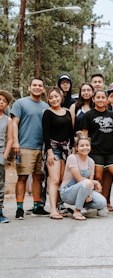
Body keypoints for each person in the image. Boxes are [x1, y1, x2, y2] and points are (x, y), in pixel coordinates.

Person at [81, 89, 113, 216]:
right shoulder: (88, 115)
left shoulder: (112, 115)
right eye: (98, 97)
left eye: (103, 97)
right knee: (98, 178)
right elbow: (84, 135)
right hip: (95, 152)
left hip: (110, 152)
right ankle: (98, 204)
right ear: (93, 99)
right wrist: (84, 152)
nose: (100, 100)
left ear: (107, 100)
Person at [11, 78, 50, 219]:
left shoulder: (46, 106)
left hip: (41, 147)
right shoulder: (21, 103)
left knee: (38, 177)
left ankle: (37, 206)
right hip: (25, 146)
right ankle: (19, 208)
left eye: (40, 85)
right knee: (22, 177)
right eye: (34, 85)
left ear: (43, 89)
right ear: (29, 88)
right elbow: (14, 123)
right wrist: (15, 142)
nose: (37, 87)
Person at [42, 87, 75, 220]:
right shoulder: (47, 113)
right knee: (54, 180)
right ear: (48, 100)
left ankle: (60, 206)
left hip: (66, 149)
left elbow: (71, 133)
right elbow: (46, 134)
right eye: (51, 97)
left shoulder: (67, 112)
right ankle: (53, 210)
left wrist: (72, 149)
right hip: (53, 149)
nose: (54, 99)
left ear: (61, 97)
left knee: (62, 180)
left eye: (56, 96)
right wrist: (49, 152)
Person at [59, 132, 107, 220]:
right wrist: (96, 182)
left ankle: (84, 207)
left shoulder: (91, 161)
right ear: (77, 148)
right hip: (68, 192)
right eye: (82, 146)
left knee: (102, 202)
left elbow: (90, 182)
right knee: (86, 183)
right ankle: (77, 211)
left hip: (85, 188)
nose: (85, 148)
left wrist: (89, 195)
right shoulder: (72, 158)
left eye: (87, 145)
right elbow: (79, 179)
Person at [0, 90, 13, 223]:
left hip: (0, 153)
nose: (1, 102)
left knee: (0, 183)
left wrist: (4, 155)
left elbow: (9, 139)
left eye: (4, 101)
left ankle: (0, 211)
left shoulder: (7, 120)